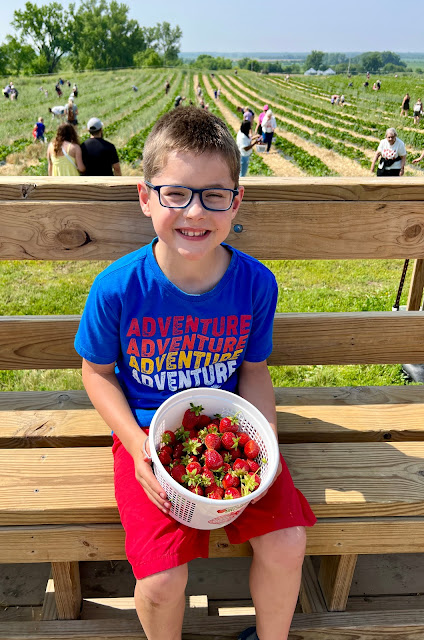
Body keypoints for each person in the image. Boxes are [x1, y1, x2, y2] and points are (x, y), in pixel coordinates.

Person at [74, 106, 316, 640]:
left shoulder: (255, 284)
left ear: (236, 200)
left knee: (287, 543)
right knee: (162, 579)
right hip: (148, 435)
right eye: (176, 194)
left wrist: (268, 440)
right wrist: (136, 445)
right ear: (145, 197)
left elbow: (254, 370)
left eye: (214, 195)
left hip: (232, 433)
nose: (195, 212)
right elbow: (96, 373)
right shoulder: (118, 288)